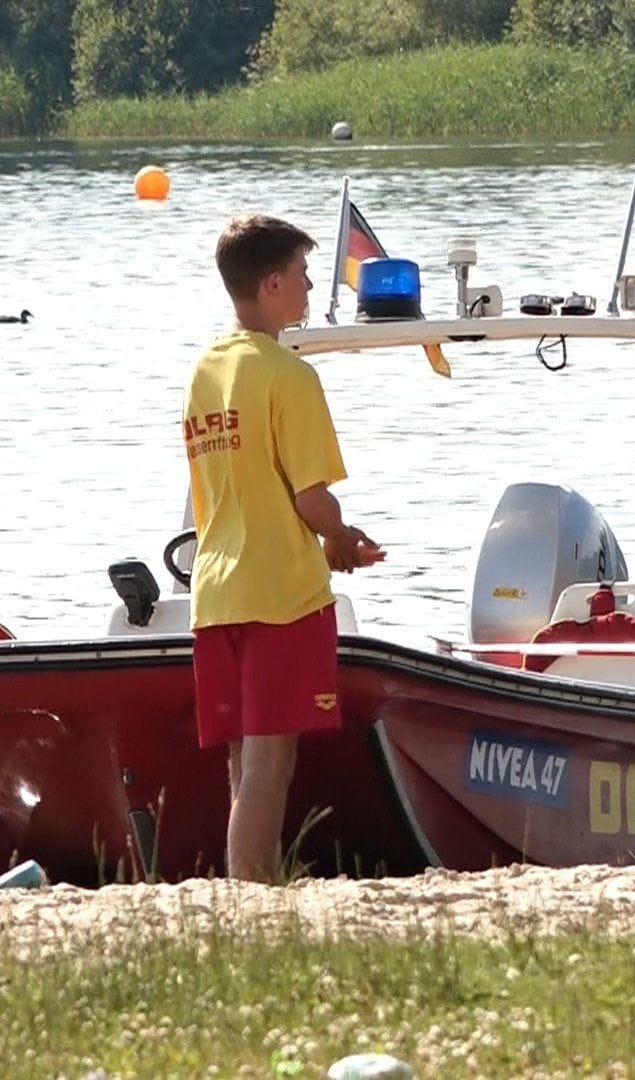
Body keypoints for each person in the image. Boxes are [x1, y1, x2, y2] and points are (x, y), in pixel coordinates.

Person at [183, 214, 385, 883]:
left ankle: (252, 885)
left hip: (216, 591)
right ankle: (254, 892)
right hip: (281, 595)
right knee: (272, 760)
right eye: (301, 275)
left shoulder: (205, 373)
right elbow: (310, 499)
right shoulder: (290, 377)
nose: (308, 287)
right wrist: (341, 536)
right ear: (272, 284)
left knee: (244, 759)